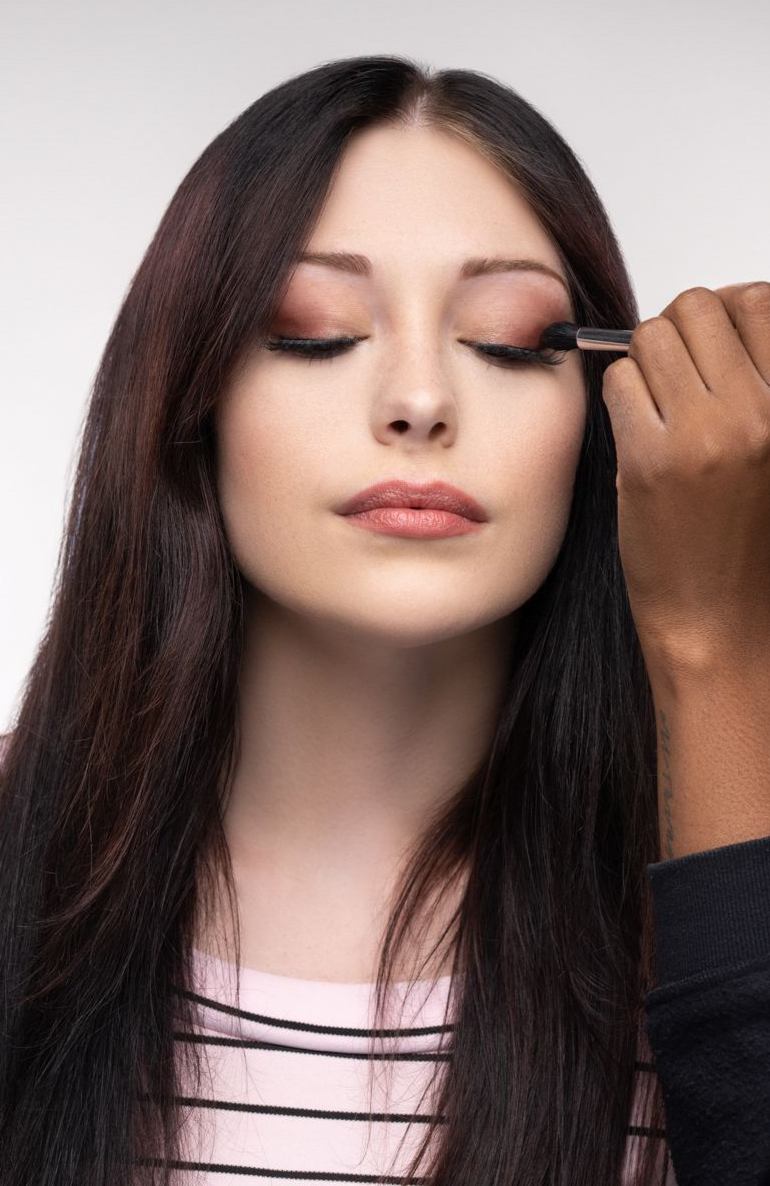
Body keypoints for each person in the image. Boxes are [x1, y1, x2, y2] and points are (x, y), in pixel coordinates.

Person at [2, 55, 768, 1186]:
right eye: (314, 331)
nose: (417, 399)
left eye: (509, 340)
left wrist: (715, 659)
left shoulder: (717, 894)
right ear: (187, 403)